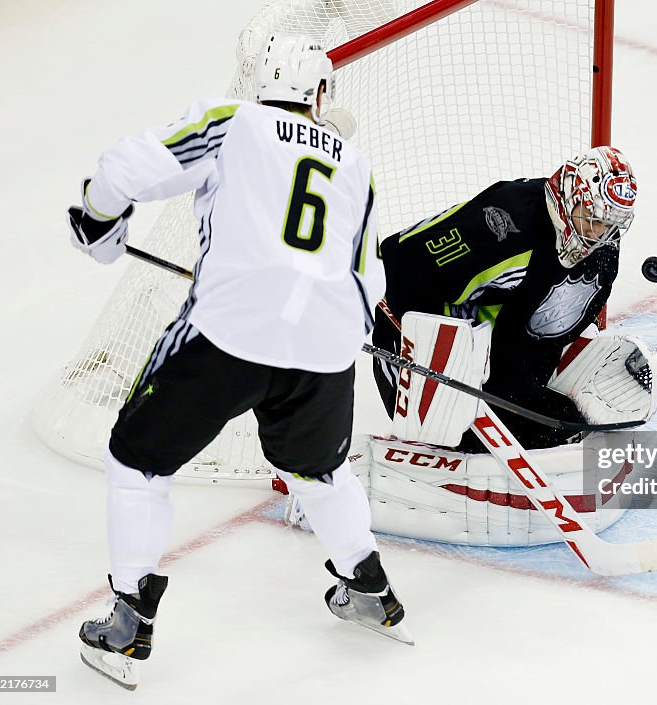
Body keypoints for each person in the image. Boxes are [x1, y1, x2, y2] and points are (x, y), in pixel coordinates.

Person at [68, 34, 408, 690]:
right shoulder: (358, 164)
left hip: (230, 333)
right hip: (328, 344)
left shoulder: (233, 120)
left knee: (137, 459)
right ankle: (368, 584)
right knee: (319, 468)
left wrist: (98, 220)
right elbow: (371, 275)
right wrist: (332, 337)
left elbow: (123, 168)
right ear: (320, 93)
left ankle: (130, 617)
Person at [372, 145, 639, 451]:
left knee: (556, 428)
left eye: (612, 224)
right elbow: (402, 264)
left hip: (495, 352)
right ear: (570, 197)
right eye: (594, 219)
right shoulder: (505, 224)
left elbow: (545, 330)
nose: (601, 234)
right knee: (451, 432)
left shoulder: (602, 249)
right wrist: (445, 360)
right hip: (415, 339)